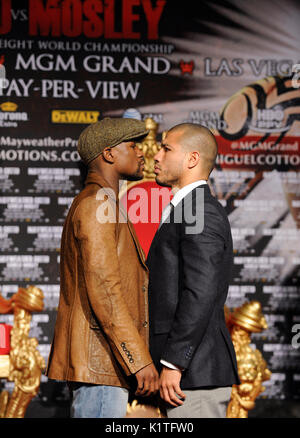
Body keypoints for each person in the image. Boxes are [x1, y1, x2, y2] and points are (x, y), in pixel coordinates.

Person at [46, 117, 159, 418]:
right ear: (109, 154)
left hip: (104, 364)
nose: (141, 153)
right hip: (100, 365)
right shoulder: (98, 204)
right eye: (133, 146)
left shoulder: (104, 201)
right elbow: (105, 292)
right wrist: (139, 360)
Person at [147, 122, 240, 418]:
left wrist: (175, 363)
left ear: (192, 159)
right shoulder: (187, 209)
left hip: (193, 376)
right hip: (186, 375)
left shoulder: (200, 210)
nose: (156, 157)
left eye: (166, 148)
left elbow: (199, 292)